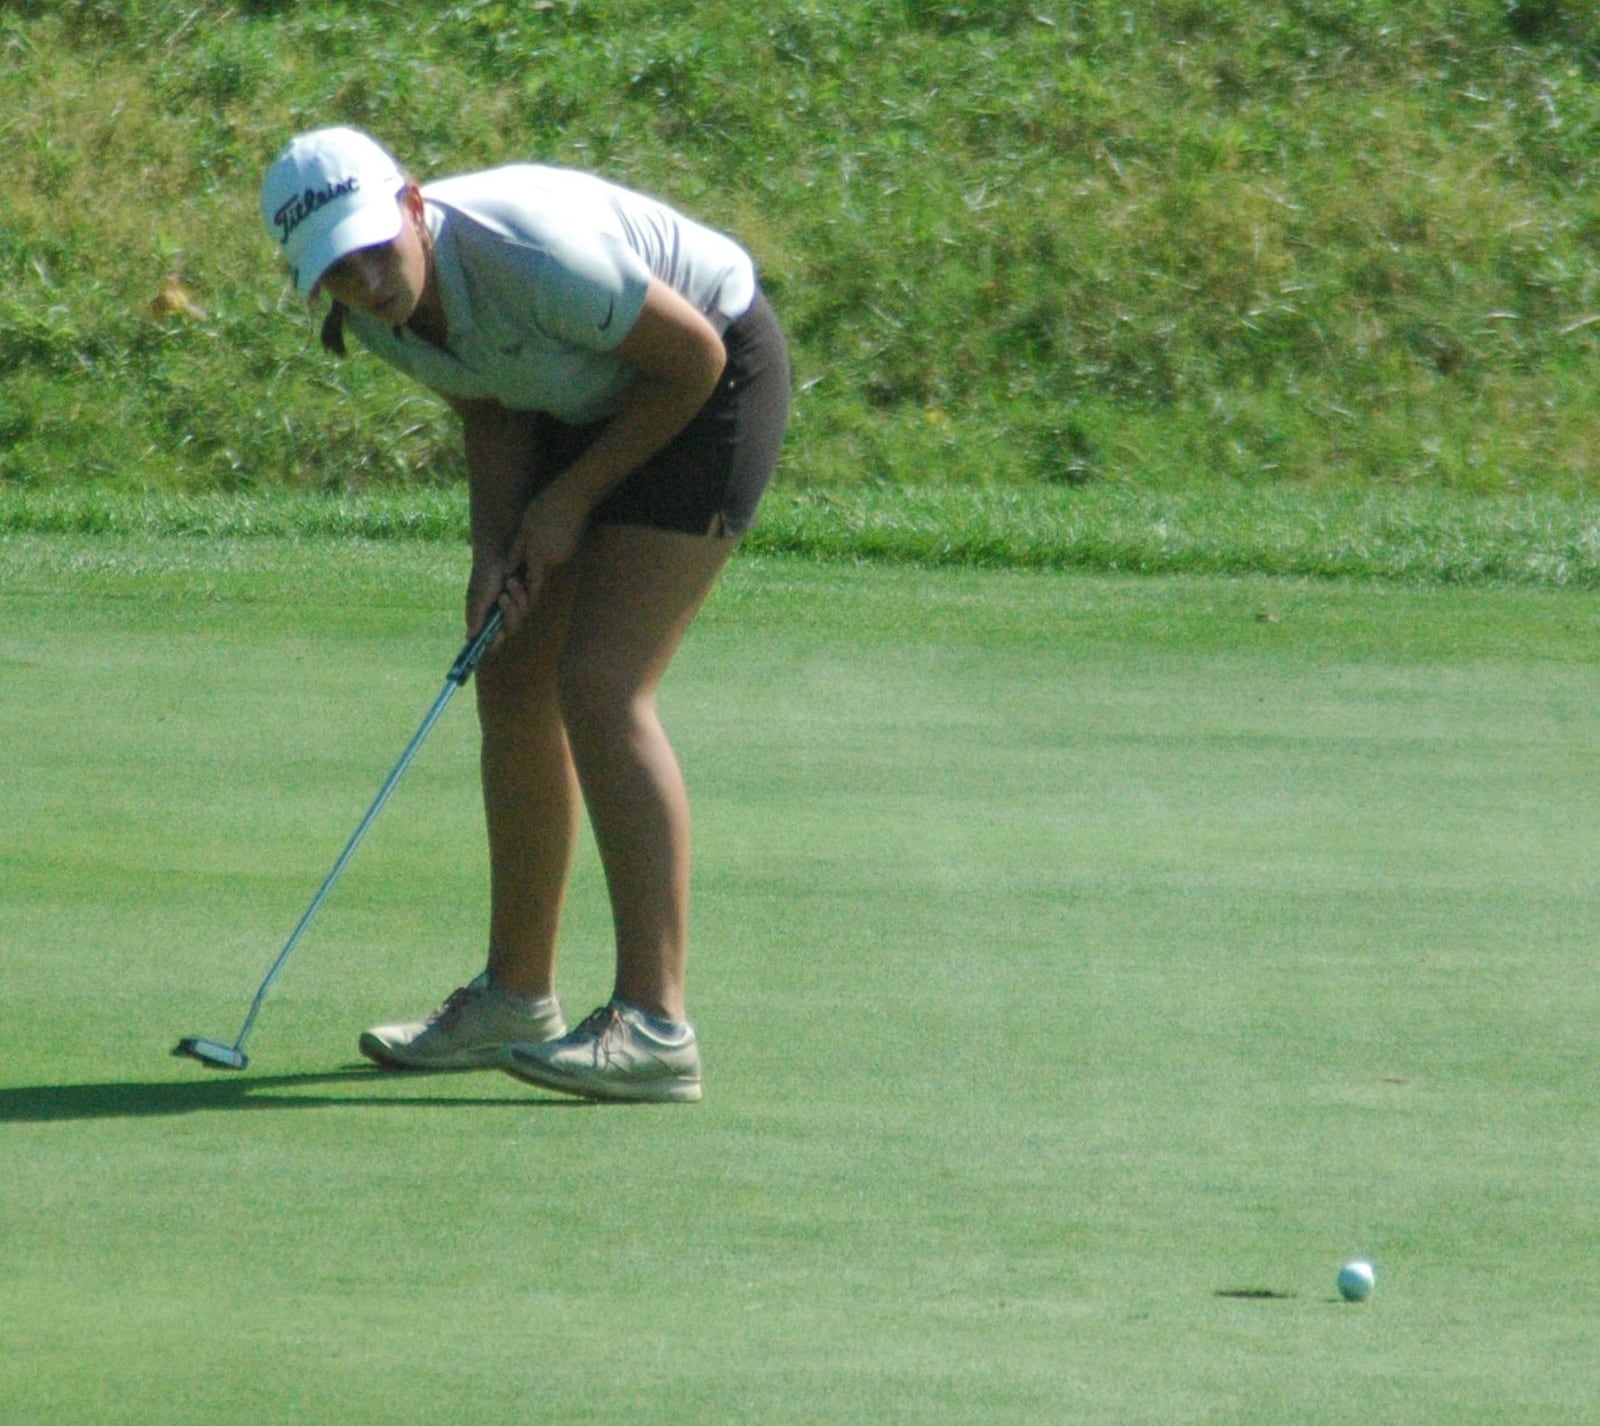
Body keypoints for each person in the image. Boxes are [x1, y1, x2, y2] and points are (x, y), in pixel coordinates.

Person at [259, 127, 789, 1102]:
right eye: (337, 268)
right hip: (572, 396)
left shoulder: (534, 252)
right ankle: (514, 995)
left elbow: (693, 362)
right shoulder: (377, 317)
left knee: (601, 686)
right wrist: (494, 549)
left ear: (414, 206)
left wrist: (569, 502)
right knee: (508, 674)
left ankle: (656, 1025)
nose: (369, 279)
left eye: (378, 245)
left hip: (704, 383)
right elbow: (492, 405)